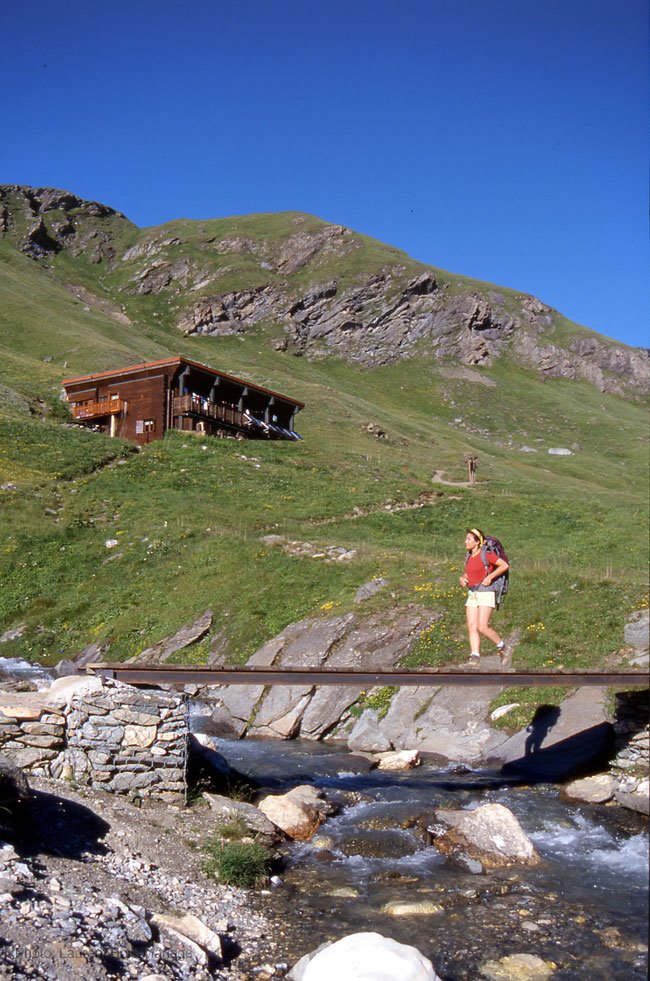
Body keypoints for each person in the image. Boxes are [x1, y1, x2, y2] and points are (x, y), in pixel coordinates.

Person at [459, 528, 511, 668]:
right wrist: (463, 578)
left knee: (482, 626)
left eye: (468, 539)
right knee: (472, 626)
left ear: (477, 542)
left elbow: (504, 565)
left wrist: (490, 577)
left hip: (486, 592)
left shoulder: (486, 555)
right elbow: (470, 573)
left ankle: (504, 648)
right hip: (473, 593)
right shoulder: (469, 556)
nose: (465, 541)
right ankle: (474, 658)